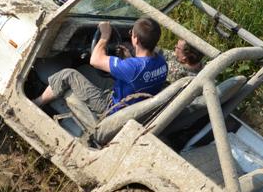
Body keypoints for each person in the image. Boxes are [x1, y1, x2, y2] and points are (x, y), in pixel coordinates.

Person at [33, 16, 168, 117]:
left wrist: (104, 36)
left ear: (136, 39)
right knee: (85, 71)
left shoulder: (131, 68)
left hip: (112, 108)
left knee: (68, 74)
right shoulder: (162, 64)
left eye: (132, 33)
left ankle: (37, 103)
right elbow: (140, 75)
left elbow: (95, 60)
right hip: (132, 105)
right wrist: (128, 59)